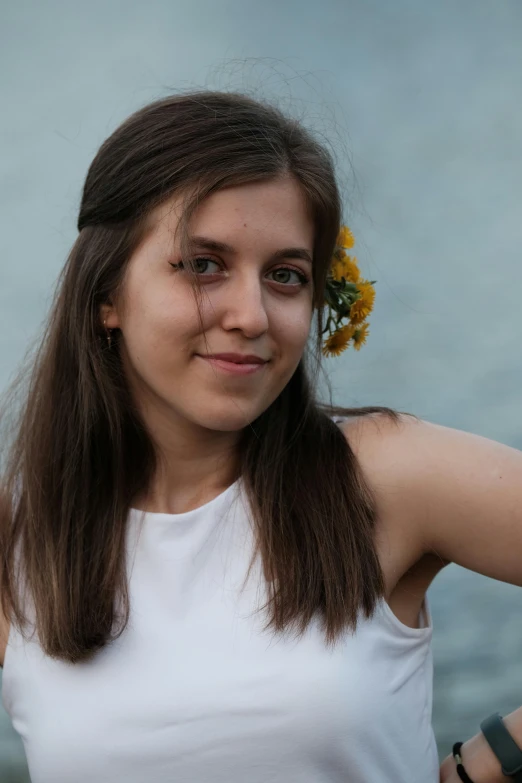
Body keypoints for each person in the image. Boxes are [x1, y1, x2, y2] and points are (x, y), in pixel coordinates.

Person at [0, 91, 521, 783]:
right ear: (108, 295)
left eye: (285, 275)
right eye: (204, 264)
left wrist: (486, 761)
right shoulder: (22, 536)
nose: (252, 315)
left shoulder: (386, 476)